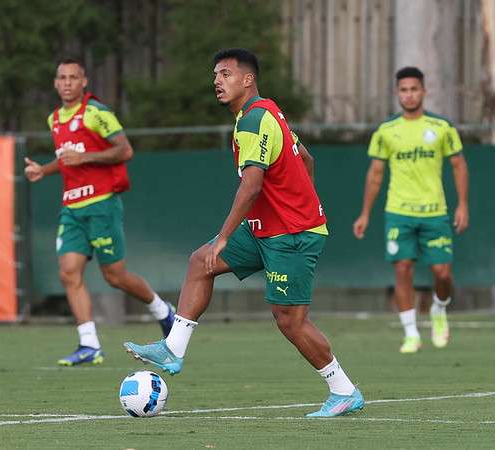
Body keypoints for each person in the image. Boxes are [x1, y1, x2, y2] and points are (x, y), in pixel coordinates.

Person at [124, 48, 364, 417]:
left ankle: (343, 390)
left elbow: (252, 185)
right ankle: (174, 347)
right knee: (200, 263)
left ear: (247, 79)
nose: (217, 81)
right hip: (267, 228)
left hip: (293, 235)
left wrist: (226, 234)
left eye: (225, 74)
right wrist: (298, 198)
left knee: (289, 320)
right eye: (215, 75)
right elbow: (307, 159)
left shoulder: (254, 120)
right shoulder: (266, 113)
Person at [24, 58, 175, 366]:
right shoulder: (54, 119)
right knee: (68, 272)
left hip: (102, 205)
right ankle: (89, 344)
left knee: (115, 276)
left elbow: (125, 149)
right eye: (62, 77)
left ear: (84, 82)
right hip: (72, 209)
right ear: (55, 83)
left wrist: (86, 158)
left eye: (73, 77)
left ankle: (163, 311)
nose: (67, 82)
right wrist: (45, 169)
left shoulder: (96, 113)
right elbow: (68, 160)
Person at [353, 67, 468, 354]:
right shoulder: (386, 131)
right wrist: (365, 213)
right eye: (403, 90)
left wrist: (463, 204)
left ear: (423, 91)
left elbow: (458, 165)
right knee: (403, 269)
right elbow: (375, 174)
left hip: (434, 212)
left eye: (414, 89)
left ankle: (439, 310)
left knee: (442, 273)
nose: (409, 94)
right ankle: (411, 333)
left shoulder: (442, 127)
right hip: (399, 212)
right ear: (397, 93)